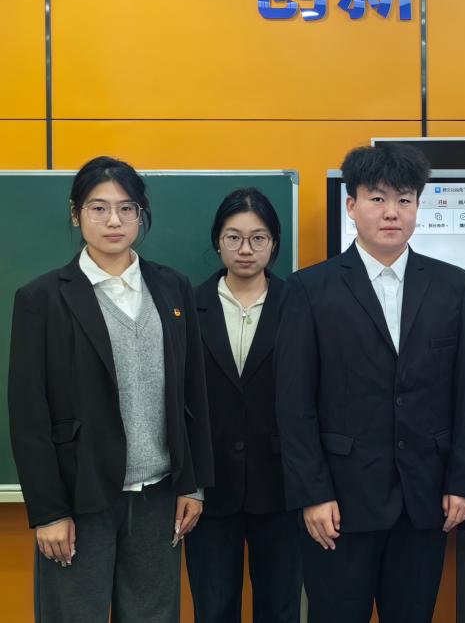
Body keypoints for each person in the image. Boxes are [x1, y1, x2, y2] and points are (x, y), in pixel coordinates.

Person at [275, 143, 465, 623]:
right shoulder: (309, 289)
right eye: (377, 199)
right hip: (339, 505)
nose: (392, 212)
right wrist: (313, 493)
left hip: (425, 500)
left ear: (417, 206)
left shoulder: (452, 285)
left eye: (404, 199)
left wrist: (464, 481)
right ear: (352, 206)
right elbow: (294, 403)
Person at [8, 155, 214, 623]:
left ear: (141, 214)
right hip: (80, 500)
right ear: (75, 214)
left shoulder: (172, 288)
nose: (114, 221)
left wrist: (194, 484)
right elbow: (28, 414)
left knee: (153, 616)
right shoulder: (42, 299)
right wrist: (48, 512)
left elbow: (194, 392)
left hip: (159, 495)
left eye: (126, 208)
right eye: (98, 208)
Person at [185, 188, 301, 622]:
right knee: (213, 610)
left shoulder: (299, 304)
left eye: (258, 238)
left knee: (281, 609)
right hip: (210, 490)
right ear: (218, 241)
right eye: (233, 237)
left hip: (283, 488)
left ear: (274, 243)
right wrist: (188, 483)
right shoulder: (187, 305)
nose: (245, 249)